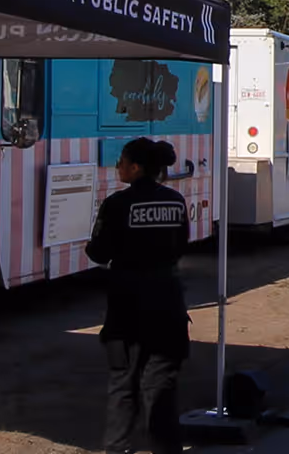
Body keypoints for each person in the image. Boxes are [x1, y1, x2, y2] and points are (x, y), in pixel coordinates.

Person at [87, 137, 189, 454]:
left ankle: (117, 448)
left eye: (121, 162)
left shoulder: (117, 204)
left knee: (123, 383)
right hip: (169, 304)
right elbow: (181, 244)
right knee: (161, 385)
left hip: (127, 307)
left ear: (135, 167)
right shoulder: (175, 201)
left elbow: (98, 251)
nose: (117, 166)